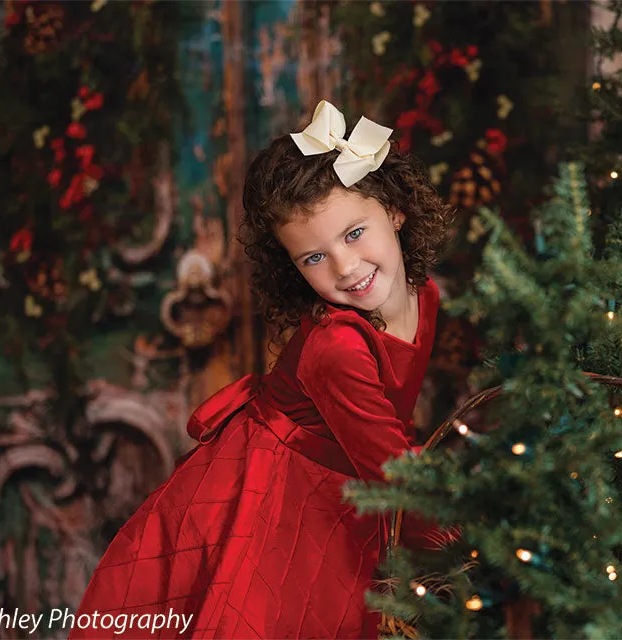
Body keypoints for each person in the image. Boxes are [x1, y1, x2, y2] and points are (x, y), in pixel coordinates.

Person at [71, 101, 454, 639]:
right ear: (292, 267)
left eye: (353, 234)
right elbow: (394, 478)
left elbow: (390, 435)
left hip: (352, 476)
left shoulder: (424, 295)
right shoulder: (336, 347)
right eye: (313, 258)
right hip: (279, 492)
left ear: (394, 210)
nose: (346, 269)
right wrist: (477, 544)